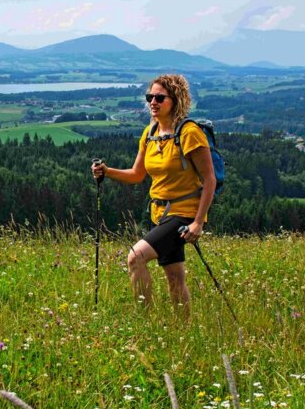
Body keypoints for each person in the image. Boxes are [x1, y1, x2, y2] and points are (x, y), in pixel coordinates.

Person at [92, 74, 215, 316]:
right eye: (150, 97)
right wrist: (107, 172)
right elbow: (137, 174)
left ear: (176, 100)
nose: (153, 102)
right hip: (159, 213)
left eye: (160, 97)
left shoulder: (190, 133)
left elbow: (209, 178)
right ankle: (183, 331)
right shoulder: (150, 133)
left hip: (183, 215)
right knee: (175, 277)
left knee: (135, 257)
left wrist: (198, 222)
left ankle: (145, 320)